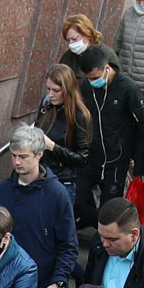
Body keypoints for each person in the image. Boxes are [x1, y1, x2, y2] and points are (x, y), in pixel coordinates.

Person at [0, 125, 80, 288]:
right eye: (13, 156)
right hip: (7, 283)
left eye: (23, 156)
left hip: (42, 286)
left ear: (39, 154)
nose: (17, 162)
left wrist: (58, 283)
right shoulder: (3, 190)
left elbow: (68, 246)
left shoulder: (57, 194)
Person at [78, 51, 144, 211]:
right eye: (89, 78)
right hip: (91, 156)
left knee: (109, 208)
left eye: (95, 77)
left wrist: (138, 165)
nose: (93, 82)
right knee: (78, 200)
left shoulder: (128, 88)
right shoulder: (87, 87)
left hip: (116, 159)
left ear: (107, 68)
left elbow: (141, 125)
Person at [34, 63, 98, 210]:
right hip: (39, 175)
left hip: (62, 181)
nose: (50, 94)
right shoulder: (46, 106)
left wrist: (52, 147)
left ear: (67, 90)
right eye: (48, 89)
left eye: (56, 90)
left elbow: (82, 158)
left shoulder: (80, 115)